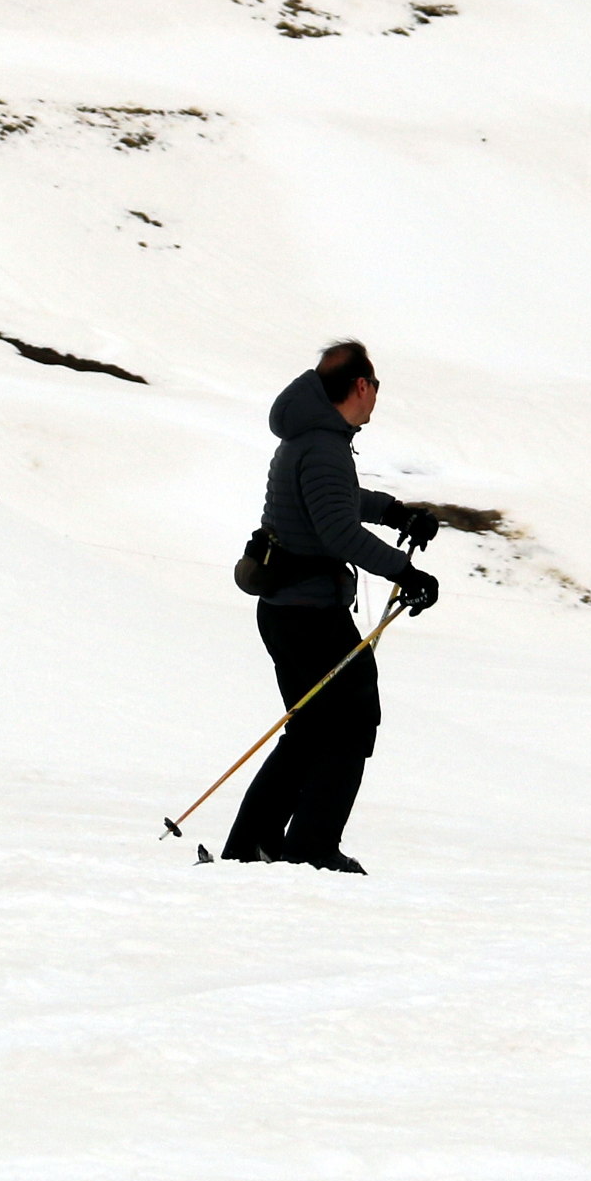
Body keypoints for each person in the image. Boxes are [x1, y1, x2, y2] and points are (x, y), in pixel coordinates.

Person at [223, 340, 438, 872]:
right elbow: (339, 529)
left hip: (288, 610)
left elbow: (336, 499)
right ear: (360, 386)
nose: (374, 402)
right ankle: (311, 848)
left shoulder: (310, 439)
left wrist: (394, 513)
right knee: (350, 719)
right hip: (308, 614)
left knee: (311, 729)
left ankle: (254, 845)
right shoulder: (322, 445)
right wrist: (404, 572)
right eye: (375, 390)